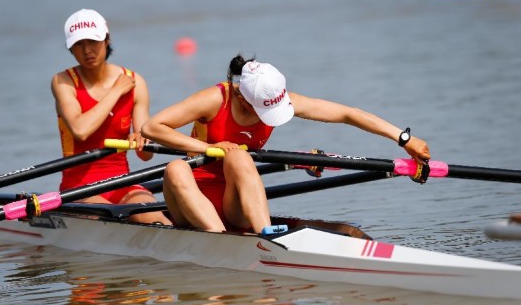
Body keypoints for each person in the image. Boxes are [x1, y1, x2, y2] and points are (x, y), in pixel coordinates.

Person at [141, 54, 431, 233]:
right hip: (191, 196)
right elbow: (152, 127)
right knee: (176, 168)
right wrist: (208, 148)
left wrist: (403, 138)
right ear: (243, 96)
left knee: (239, 158)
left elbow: (347, 113)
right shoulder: (216, 98)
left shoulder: (274, 96)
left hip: (235, 201)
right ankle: (220, 239)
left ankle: (264, 233)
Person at [51, 9, 170, 225]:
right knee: (111, 217)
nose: (87, 50)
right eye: (79, 44)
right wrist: (115, 91)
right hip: (78, 188)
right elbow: (81, 129)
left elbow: (146, 156)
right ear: (70, 48)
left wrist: (142, 140)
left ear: (107, 39)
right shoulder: (63, 82)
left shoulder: (136, 82)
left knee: (155, 219)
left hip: (122, 182)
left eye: (93, 41)